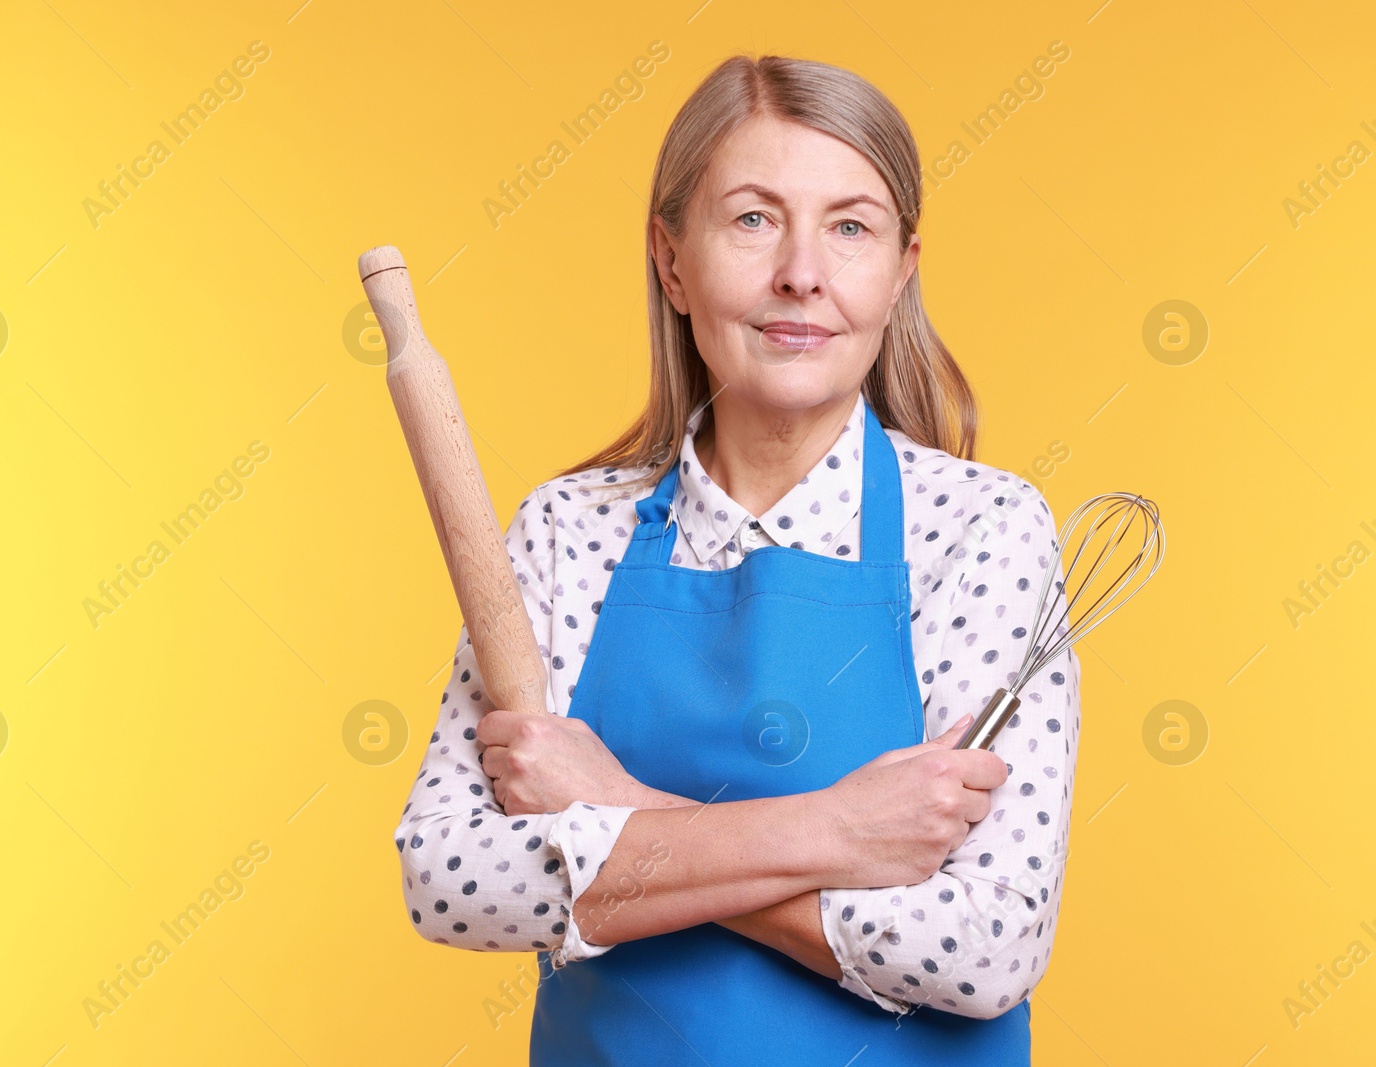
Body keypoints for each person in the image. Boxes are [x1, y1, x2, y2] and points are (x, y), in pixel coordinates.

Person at [393, 53, 1079, 1066]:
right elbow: (450, 876)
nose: (802, 271)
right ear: (671, 261)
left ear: (900, 269)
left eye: (850, 226)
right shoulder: (565, 531)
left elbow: (985, 947)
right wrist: (839, 831)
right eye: (753, 218)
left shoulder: (980, 528)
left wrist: (613, 804)